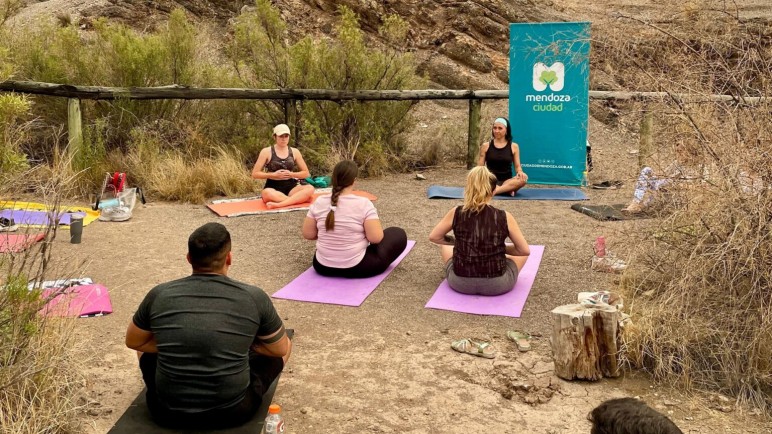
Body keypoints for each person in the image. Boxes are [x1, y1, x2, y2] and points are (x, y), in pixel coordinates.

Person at [125, 223, 291, 429]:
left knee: (144, 349)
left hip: (166, 411)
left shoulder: (159, 294)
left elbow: (133, 341)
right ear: (229, 258)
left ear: (188, 258)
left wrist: (178, 344)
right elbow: (280, 349)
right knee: (283, 346)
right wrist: (245, 345)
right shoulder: (253, 296)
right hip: (232, 412)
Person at [429, 166, 530, 296]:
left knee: (445, 246)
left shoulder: (456, 212)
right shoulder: (504, 216)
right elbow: (524, 250)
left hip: (460, 283)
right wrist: (499, 248)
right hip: (497, 284)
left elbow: (434, 237)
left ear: (468, 188)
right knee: (520, 255)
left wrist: (460, 243)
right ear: (494, 191)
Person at [302, 160, 408, 278]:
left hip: (322, 266)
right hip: (358, 267)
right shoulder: (363, 203)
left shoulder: (319, 202)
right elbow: (375, 238)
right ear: (353, 181)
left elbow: (308, 234)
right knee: (398, 233)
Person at [251, 123, 315, 209]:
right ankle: (298, 200)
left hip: (291, 186)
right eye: (281, 136)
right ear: (275, 137)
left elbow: (306, 173)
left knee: (310, 188)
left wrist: (292, 174)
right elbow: (255, 174)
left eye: (286, 136)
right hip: (273, 187)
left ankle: (280, 204)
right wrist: (273, 175)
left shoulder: (295, 151)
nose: (284, 139)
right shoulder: (266, 151)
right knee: (266, 193)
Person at [478, 117, 527, 196]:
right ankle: (507, 190)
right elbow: (479, 167)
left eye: (500, 128)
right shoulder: (485, 146)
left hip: (507, 181)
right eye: (495, 128)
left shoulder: (514, 146)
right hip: (490, 181)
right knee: (480, 182)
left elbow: (518, 167)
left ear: (506, 130)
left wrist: (520, 172)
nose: (497, 131)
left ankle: (496, 191)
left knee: (523, 180)